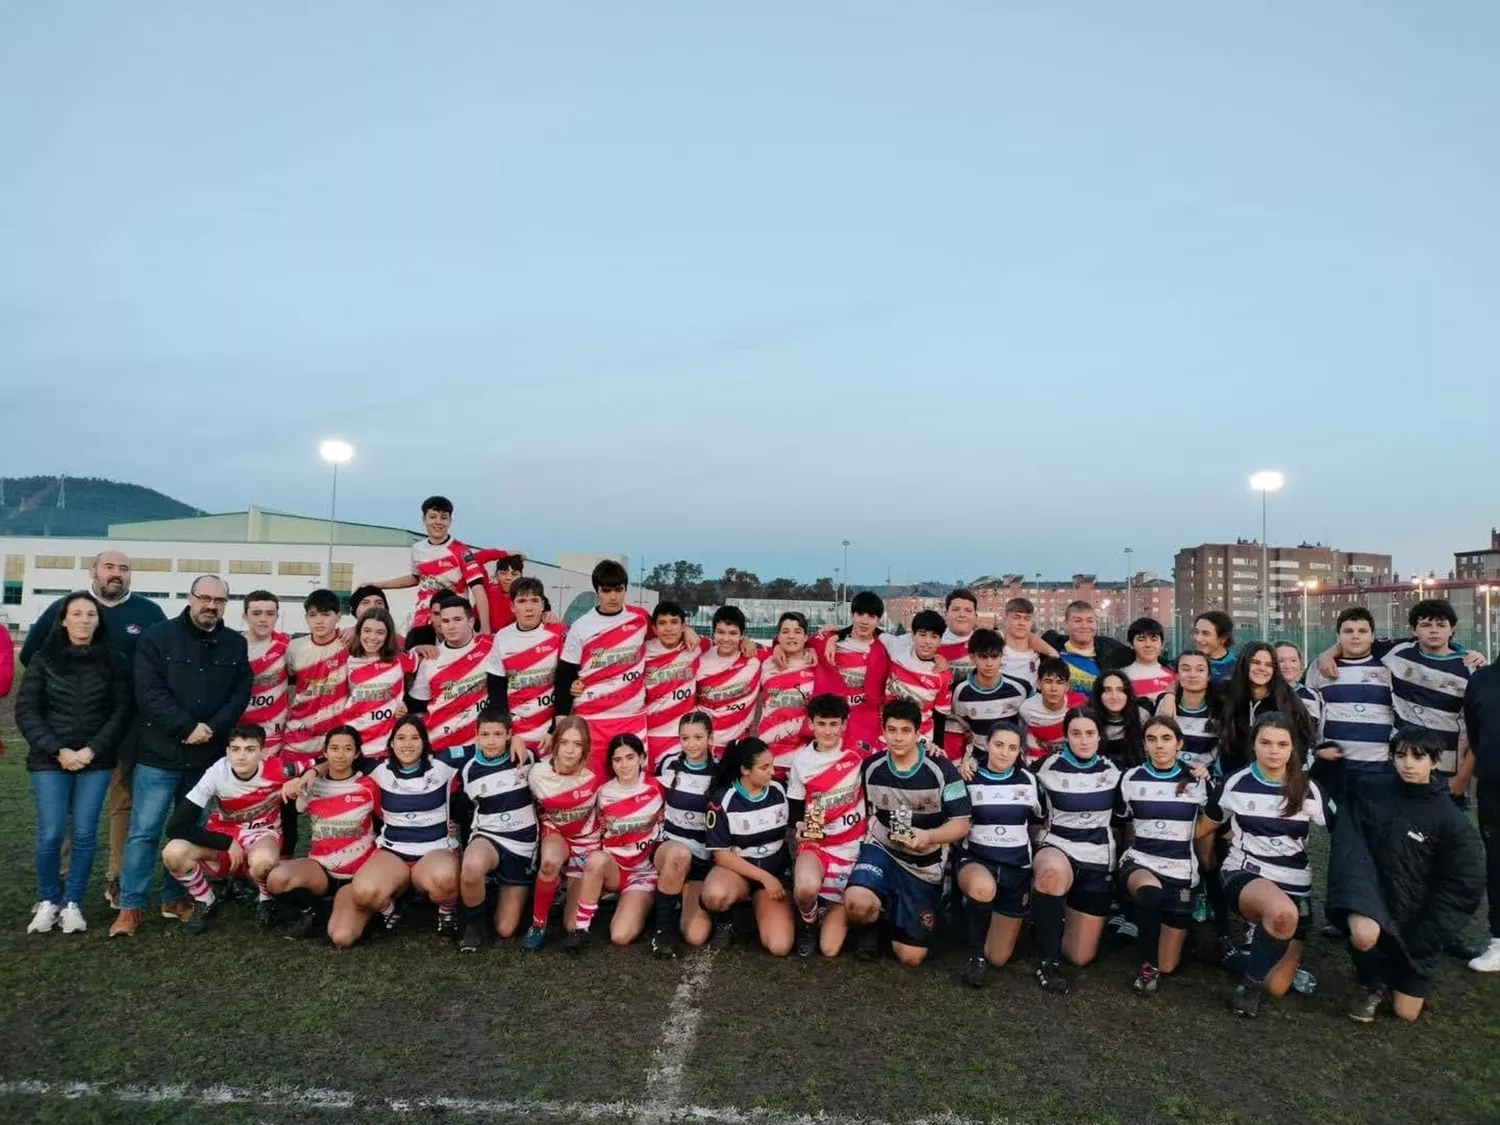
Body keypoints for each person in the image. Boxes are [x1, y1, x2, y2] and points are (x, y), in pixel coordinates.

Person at [20, 550, 166, 910]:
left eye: (123, 568)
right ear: (93, 571)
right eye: (109, 567)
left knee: (123, 804)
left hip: (128, 727)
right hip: (69, 732)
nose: (116, 574)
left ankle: (116, 879)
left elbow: (162, 662)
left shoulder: (148, 613)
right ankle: (62, 883)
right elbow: (32, 656)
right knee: (68, 812)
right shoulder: (65, 608)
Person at [112, 575, 251, 938]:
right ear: (190, 598)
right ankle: (130, 906)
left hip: (205, 759)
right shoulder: (157, 637)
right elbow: (148, 690)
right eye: (204, 598)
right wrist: (186, 727)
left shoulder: (234, 644)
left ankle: (175, 898)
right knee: (144, 833)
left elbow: (240, 693)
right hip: (159, 755)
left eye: (219, 601)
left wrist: (212, 728)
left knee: (191, 834)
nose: (211, 605)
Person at [1327, 727, 1485, 1021]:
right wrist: (1326, 761)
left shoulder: (1452, 819)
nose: (1408, 764)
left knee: (1406, 1013)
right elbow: (1331, 790)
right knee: (1364, 933)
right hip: (1372, 902)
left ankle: (1392, 974)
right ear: (1392, 758)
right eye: (1401, 756)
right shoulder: (1370, 790)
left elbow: (1465, 884)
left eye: (1418, 757)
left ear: (1434, 762)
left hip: (1416, 923)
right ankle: (1372, 984)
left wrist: (1426, 937)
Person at [19, 591, 131, 934]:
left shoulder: (113, 659)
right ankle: (49, 899)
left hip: (95, 761)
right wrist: (59, 751)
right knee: (52, 833)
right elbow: (27, 711)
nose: (84, 620)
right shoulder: (44, 659)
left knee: (84, 833)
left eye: (91, 614)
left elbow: (121, 710)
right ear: (64, 620)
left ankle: (73, 903)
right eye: (77, 614)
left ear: (99, 621)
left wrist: (92, 750)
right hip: (49, 760)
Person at [1205, 713, 1331, 1018]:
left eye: (1282, 744)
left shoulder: (1309, 789)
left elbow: (1346, 833)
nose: (1274, 750)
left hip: (1295, 883)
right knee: (1282, 913)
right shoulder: (1235, 782)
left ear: (1293, 748)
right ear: (1254, 744)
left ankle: (1231, 956)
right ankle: (1248, 990)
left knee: (1276, 985)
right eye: (1266, 742)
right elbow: (1204, 826)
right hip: (1246, 871)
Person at [844, 699, 972, 966]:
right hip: (883, 849)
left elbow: (961, 824)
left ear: (917, 733)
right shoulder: (871, 767)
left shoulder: (943, 769)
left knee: (911, 957)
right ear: (883, 731)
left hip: (924, 862)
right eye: (892, 730)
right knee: (856, 903)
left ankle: (897, 912)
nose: (898, 737)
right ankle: (871, 924)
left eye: (905, 730)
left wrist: (929, 836)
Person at [1317, 600, 1483, 793]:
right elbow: (1357, 642)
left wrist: (1462, 779)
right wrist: (1327, 655)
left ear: (1452, 629)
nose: (1434, 630)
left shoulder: (1470, 668)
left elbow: (1479, 729)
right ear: (1414, 630)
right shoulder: (1396, 651)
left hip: (1444, 767)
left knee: (1444, 812)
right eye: (1426, 625)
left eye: (1441, 625)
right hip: (1402, 765)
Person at [160, 724, 292, 934]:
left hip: (262, 835)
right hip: (224, 836)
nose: (241, 756)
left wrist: (304, 778)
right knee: (173, 853)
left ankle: (266, 899)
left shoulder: (280, 768)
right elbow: (176, 826)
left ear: (263, 752)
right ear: (228, 752)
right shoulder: (216, 773)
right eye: (235, 749)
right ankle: (205, 900)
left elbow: (322, 764)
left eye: (250, 749)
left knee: (264, 862)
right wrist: (227, 843)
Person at [1114, 716, 1210, 996]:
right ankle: (1148, 964)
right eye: (1152, 739)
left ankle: (1162, 933)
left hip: (1181, 870)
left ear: (1179, 743)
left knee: (1168, 964)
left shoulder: (1197, 779)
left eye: (1166, 739)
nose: (1159, 745)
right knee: (1151, 894)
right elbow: (1120, 822)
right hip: (1141, 861)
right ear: (1144, 745)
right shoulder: (1130, 778)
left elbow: (1216, 821)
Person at [1030, 708, 1124, 993]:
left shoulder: (1116, 770)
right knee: (1051, 875)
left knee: (1080, 956)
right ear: (1066, 736)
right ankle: (1048, 962)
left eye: (1090, 733)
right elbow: (1011, 781)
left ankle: (1051, 918)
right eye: (1076, 733)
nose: (1084, 740)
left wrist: (1195, 771)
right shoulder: (1045, 767)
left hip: (1097, 857)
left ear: (1099, 736)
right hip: (1059, 846)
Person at [347, 716, 462, 939]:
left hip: (435, 849)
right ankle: (392, 909)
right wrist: (313, 772)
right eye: (401, 738)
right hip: (393, 851)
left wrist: (515, 741)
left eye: (415, 738)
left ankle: (446, 912)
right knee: (363, 893)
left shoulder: (444, 762)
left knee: (445, 878)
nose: (407, 744)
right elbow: (337, 758)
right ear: (391, 743)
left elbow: (486, 746)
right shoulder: (378, 767)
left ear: (425, 742)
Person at [267, 725, 379, 942]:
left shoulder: (369, 785)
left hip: (357, 874)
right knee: (276, 880)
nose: (340, 754)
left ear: (357, 753)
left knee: (342, 937)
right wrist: (294, 784)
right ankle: (312, 909)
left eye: (348, 749)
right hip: (320, 869)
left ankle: (361, 908)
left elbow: (387, 820)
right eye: (334, 748)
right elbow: (294, 807)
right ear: (325, 753)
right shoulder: (311, 785)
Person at [956, 722, 1045, 987]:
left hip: (1015, 868)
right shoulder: (969, 777)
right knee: (983, 888)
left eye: (1012, 748)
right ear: (987, 745)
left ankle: (986, 930)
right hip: (977, 860)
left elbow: (1038, 821)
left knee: (998, 957)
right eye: (999, 745)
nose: (1004, 753)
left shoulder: (1029, 781)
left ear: (1019, 751)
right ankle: (974, 957)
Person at [785, 693, 866, 958]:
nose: (828, 731)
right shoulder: (801, 760)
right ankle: (808, 922)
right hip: (817, 845)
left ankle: (852, 922)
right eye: (821, 724)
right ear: (811, 724)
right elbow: (795, 806)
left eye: (834, 724)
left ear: (844, 724)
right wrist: (799, 826)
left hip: (854, 845)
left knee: (830, 949)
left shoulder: (859, 753)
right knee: (805, 887)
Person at [554, 560, 651, 776]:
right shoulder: (581, 626)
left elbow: (668, 634)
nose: (613, 597)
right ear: (597, 591)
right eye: (606, 591)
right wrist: (560, 718)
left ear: (626, 589)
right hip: (592, 720)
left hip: (631, 718)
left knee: (632, 784)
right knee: (593, 782)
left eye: (619, 590)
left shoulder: (640, 618)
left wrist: (688, 631)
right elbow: (565, 674)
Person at [701, 736, 795, 955]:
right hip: (738, 872)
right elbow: (722, 856)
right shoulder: (722, 799)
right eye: (764, 768)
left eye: (771, 765)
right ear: (744, 770)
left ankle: (760, 908)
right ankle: (726, 920)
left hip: (775, 871)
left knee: (780, 947)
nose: (772, 771)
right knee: (715, 895)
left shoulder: (781, 790)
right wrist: (765, 878)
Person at [572, 733, 664, 951]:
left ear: (642, 758)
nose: (624, 765)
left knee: (621, 936)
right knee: (596, 859)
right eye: (618, 760)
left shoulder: (658, 788)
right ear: (611, 763)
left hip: (642, 873)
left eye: (630, 757)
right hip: (613, 869)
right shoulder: (603, 792)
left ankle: (639, 904)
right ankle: (580, 930)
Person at [457, 709, 538, 953]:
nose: (491, 741)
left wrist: (520, 741)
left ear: (509, 735)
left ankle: (493, 893)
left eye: (497, 734)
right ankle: (474, 925)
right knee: (471, 866)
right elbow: (464, 806)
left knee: (505, 929)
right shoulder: (468, 768)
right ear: (476, 735)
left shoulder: (526, 756)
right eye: (485, 734)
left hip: (522, 845)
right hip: (489, 836)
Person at [522, 716, 604, 951]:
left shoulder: (597, 771)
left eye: (577, 744)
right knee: (549, 863)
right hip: (557, 832)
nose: (569, 750)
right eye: (564, 742)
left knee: (571, 925)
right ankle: (538, 924)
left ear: (585, 748)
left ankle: (567, 890)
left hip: (587, 840)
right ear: (555, 743)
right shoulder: (536, 773)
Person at [281, 589, 352, 856]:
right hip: (297, 737)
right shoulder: (295, 648)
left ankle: (331, 858)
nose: (319, 621)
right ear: (306, 618)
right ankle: (285, 856)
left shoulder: (348, 643)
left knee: (332, 803)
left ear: (338, 617)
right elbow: (289, 685)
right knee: (288, 800)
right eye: (313, 615)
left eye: (325, 614)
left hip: (334, 739)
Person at [370, 495, 495, 644]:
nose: (438, 522)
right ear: (424, 519)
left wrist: (485, 628)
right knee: (417, 654)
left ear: (450, 521)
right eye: (433, 517)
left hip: (452, 618)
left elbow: (478, 589)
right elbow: (416, 578)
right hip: (423, 619)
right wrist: (378, 585)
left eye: (444, 518)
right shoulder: (417, 549)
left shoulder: (461, 551)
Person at [404, 594, 507, 771]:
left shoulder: (491, 646)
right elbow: (417, 704)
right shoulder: (431, 658)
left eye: (457, 619)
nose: (451, 626)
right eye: (445, 621)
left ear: (471, 621)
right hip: (441, 746)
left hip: (481, 745)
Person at [1305, 608, 1395, 805]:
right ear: (1338, 636)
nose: (1355, 636)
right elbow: (1308, 715)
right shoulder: (1319, 668)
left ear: (1372, 636)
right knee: (1337, 822)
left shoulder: (1389, 667)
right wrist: (1315, 750)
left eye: (1362, 631)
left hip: (1379, 768)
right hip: (1335, 767)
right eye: (1348, 631)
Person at [649, 711, 717, 956]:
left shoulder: (720, 771)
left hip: (702, 858)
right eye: (685, 738)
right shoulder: (669, 764)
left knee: (695, 936)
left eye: (698, 737)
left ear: (710, 737)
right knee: (679, 855)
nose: (691, 744)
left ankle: (677, 897)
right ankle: (662, 932)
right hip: (671, 848)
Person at [490, 577, 566, 760]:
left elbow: (565, 683)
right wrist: (509, 733)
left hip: (551, 734)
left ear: (543, 605)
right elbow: (496, 690)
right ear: (512, 606)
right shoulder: (502, 637)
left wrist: (555, 729)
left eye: (534, 600)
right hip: (516, 735)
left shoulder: (558, 632)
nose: (529, 607)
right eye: (522, 601)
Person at [1217, 642, 1317, 776]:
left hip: (1275, 779)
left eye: (1269, 665)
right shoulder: (1224, 693)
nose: (1262, 668)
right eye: (1255, 662)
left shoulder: (1287, 699)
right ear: (1244, 663)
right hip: (1232, 776)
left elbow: (1301, 743)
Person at [812, 590, 890, 754]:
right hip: (830, 725)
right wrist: (777, 646)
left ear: (878, 620)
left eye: (871, 616)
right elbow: (794, 642)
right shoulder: (829, 641)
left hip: (866, 727)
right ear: (852, 615)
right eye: (860, 614)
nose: (864, 621)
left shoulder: (885, 650)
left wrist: (938, 658)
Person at [947, 628, 1032, 769]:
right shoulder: (959, 691)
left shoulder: (1021, 688)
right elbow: (956, 729)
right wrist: (960, 764)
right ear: (972, 657)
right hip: (977, 762)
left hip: (1012, 761)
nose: (989, 663)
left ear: (1001, 656)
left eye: (994, 656)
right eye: (983, 657)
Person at [1462, 662, 1500, 972]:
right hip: (1494, 788)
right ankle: (1499, 940)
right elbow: (1475, 733)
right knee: (1498, 862)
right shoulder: (1482, 680)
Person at [343, 608, 413, 762]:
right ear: (359, 632)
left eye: (380, 632)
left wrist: (423, 647)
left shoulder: (400, 660)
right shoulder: (348, 660)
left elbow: (428, 659)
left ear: (388, 635)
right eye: (367, 631)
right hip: (354, 740)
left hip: (388, 743)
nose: (372, 637)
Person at [881, 610, 953, 751]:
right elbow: (870, 629)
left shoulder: (942, 675)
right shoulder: (896, 651)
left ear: (940, 641)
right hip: (887, 735)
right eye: (922, 634)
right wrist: (837, 636)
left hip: (921, 739)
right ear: (913, 635)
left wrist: (938, 747)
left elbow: (940, 714)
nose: (927, 641)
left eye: (934, 637)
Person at [695, 605, 763, 752]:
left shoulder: (755, 657)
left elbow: (787, 648)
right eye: (720, 632)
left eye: (733, 633)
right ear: (713, 632)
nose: (726, 639)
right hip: (703, 746)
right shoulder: (699, 658)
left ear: (742, 635)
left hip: (738, 747)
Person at [758, 612, 818, 778]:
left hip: (804, 756)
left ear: (805, 637)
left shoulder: (817, 664)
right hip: (769, 754)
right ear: (778, 637)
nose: (791, 636)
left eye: (797, 632)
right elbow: (741, 644)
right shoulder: (765, 662)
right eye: (785, 632)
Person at [643, 600, 701, 771]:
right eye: (662, 623)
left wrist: (745, 641)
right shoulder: (642, 651)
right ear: (654, 629)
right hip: (651, 734)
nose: (668, 628)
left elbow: (727, 646)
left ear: (683, 626)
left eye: (674, 622)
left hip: (684, 736)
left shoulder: (697, 646)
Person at [1042, 601, 1133, 708]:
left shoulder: (1111, 649)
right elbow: (1028, 638)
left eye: (1090, 621)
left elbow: (1142, 655)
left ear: (1096, 624)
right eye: (1078, 621)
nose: (1084, 626)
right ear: (1065, 624)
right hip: (1058, 714)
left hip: (1097, 715)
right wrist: (1050, 651)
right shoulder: (1053, 645)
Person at [240, 591, 290, 754]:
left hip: (272, 733)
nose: (263, 619)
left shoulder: (287, 646)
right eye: (256, 613)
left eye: (269, 614)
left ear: (277, 617)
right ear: (245, 616)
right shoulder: (233, 647)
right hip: (239, 731)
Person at [1155, 651, 1220, 770]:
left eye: (1200, 670)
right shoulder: (1166, 704)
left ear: (1208, 677)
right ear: (1177, 676)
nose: (1192, 675)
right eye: (1185, 669)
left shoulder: (1219, 707)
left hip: (1206, 775)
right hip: (1170, 773)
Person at [1089, 670, 1148, 769]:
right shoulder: (1089, 719)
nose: (1114, 696)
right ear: (1099, 694)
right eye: (1108, 690)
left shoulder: (1142, 715)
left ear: (1127, 693)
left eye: (1120, 690)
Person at [1018, 657, 1072, 762]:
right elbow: (1021, 743)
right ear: (1038, 684)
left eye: (1059, 682)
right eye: (1048, 681)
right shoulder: (1026, 709)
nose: (1053, 688)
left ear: (1067, 686)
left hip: (1068, 763)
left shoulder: (1077, 705)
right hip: (1035, 762)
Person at [1121, 617, 1176, 705]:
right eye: (1141, 640)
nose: (1148, 645)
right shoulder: (1123, 676)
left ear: (1162, 644)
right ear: (1131, 644)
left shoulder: (1174, 675)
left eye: (1154, 639)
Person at [1192, 612, 1237, 681]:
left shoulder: (1238, 665)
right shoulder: (1185, 662)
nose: (1198, 639)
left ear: (1223, 638)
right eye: (1196, 632)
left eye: (1205, 633)